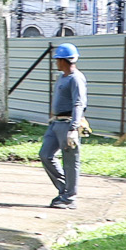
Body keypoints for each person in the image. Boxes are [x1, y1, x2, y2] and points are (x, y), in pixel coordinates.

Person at [42, 42, 88, 209]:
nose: (56, 62)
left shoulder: (76, 78)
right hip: (56, 123)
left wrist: (74, 128)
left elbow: (78, 103)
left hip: (68, 124)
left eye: (58, 59)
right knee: (46, 155)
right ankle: (64, 190)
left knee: (70, 161)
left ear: (64, 60)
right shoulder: (62, 77)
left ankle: (70, 198)